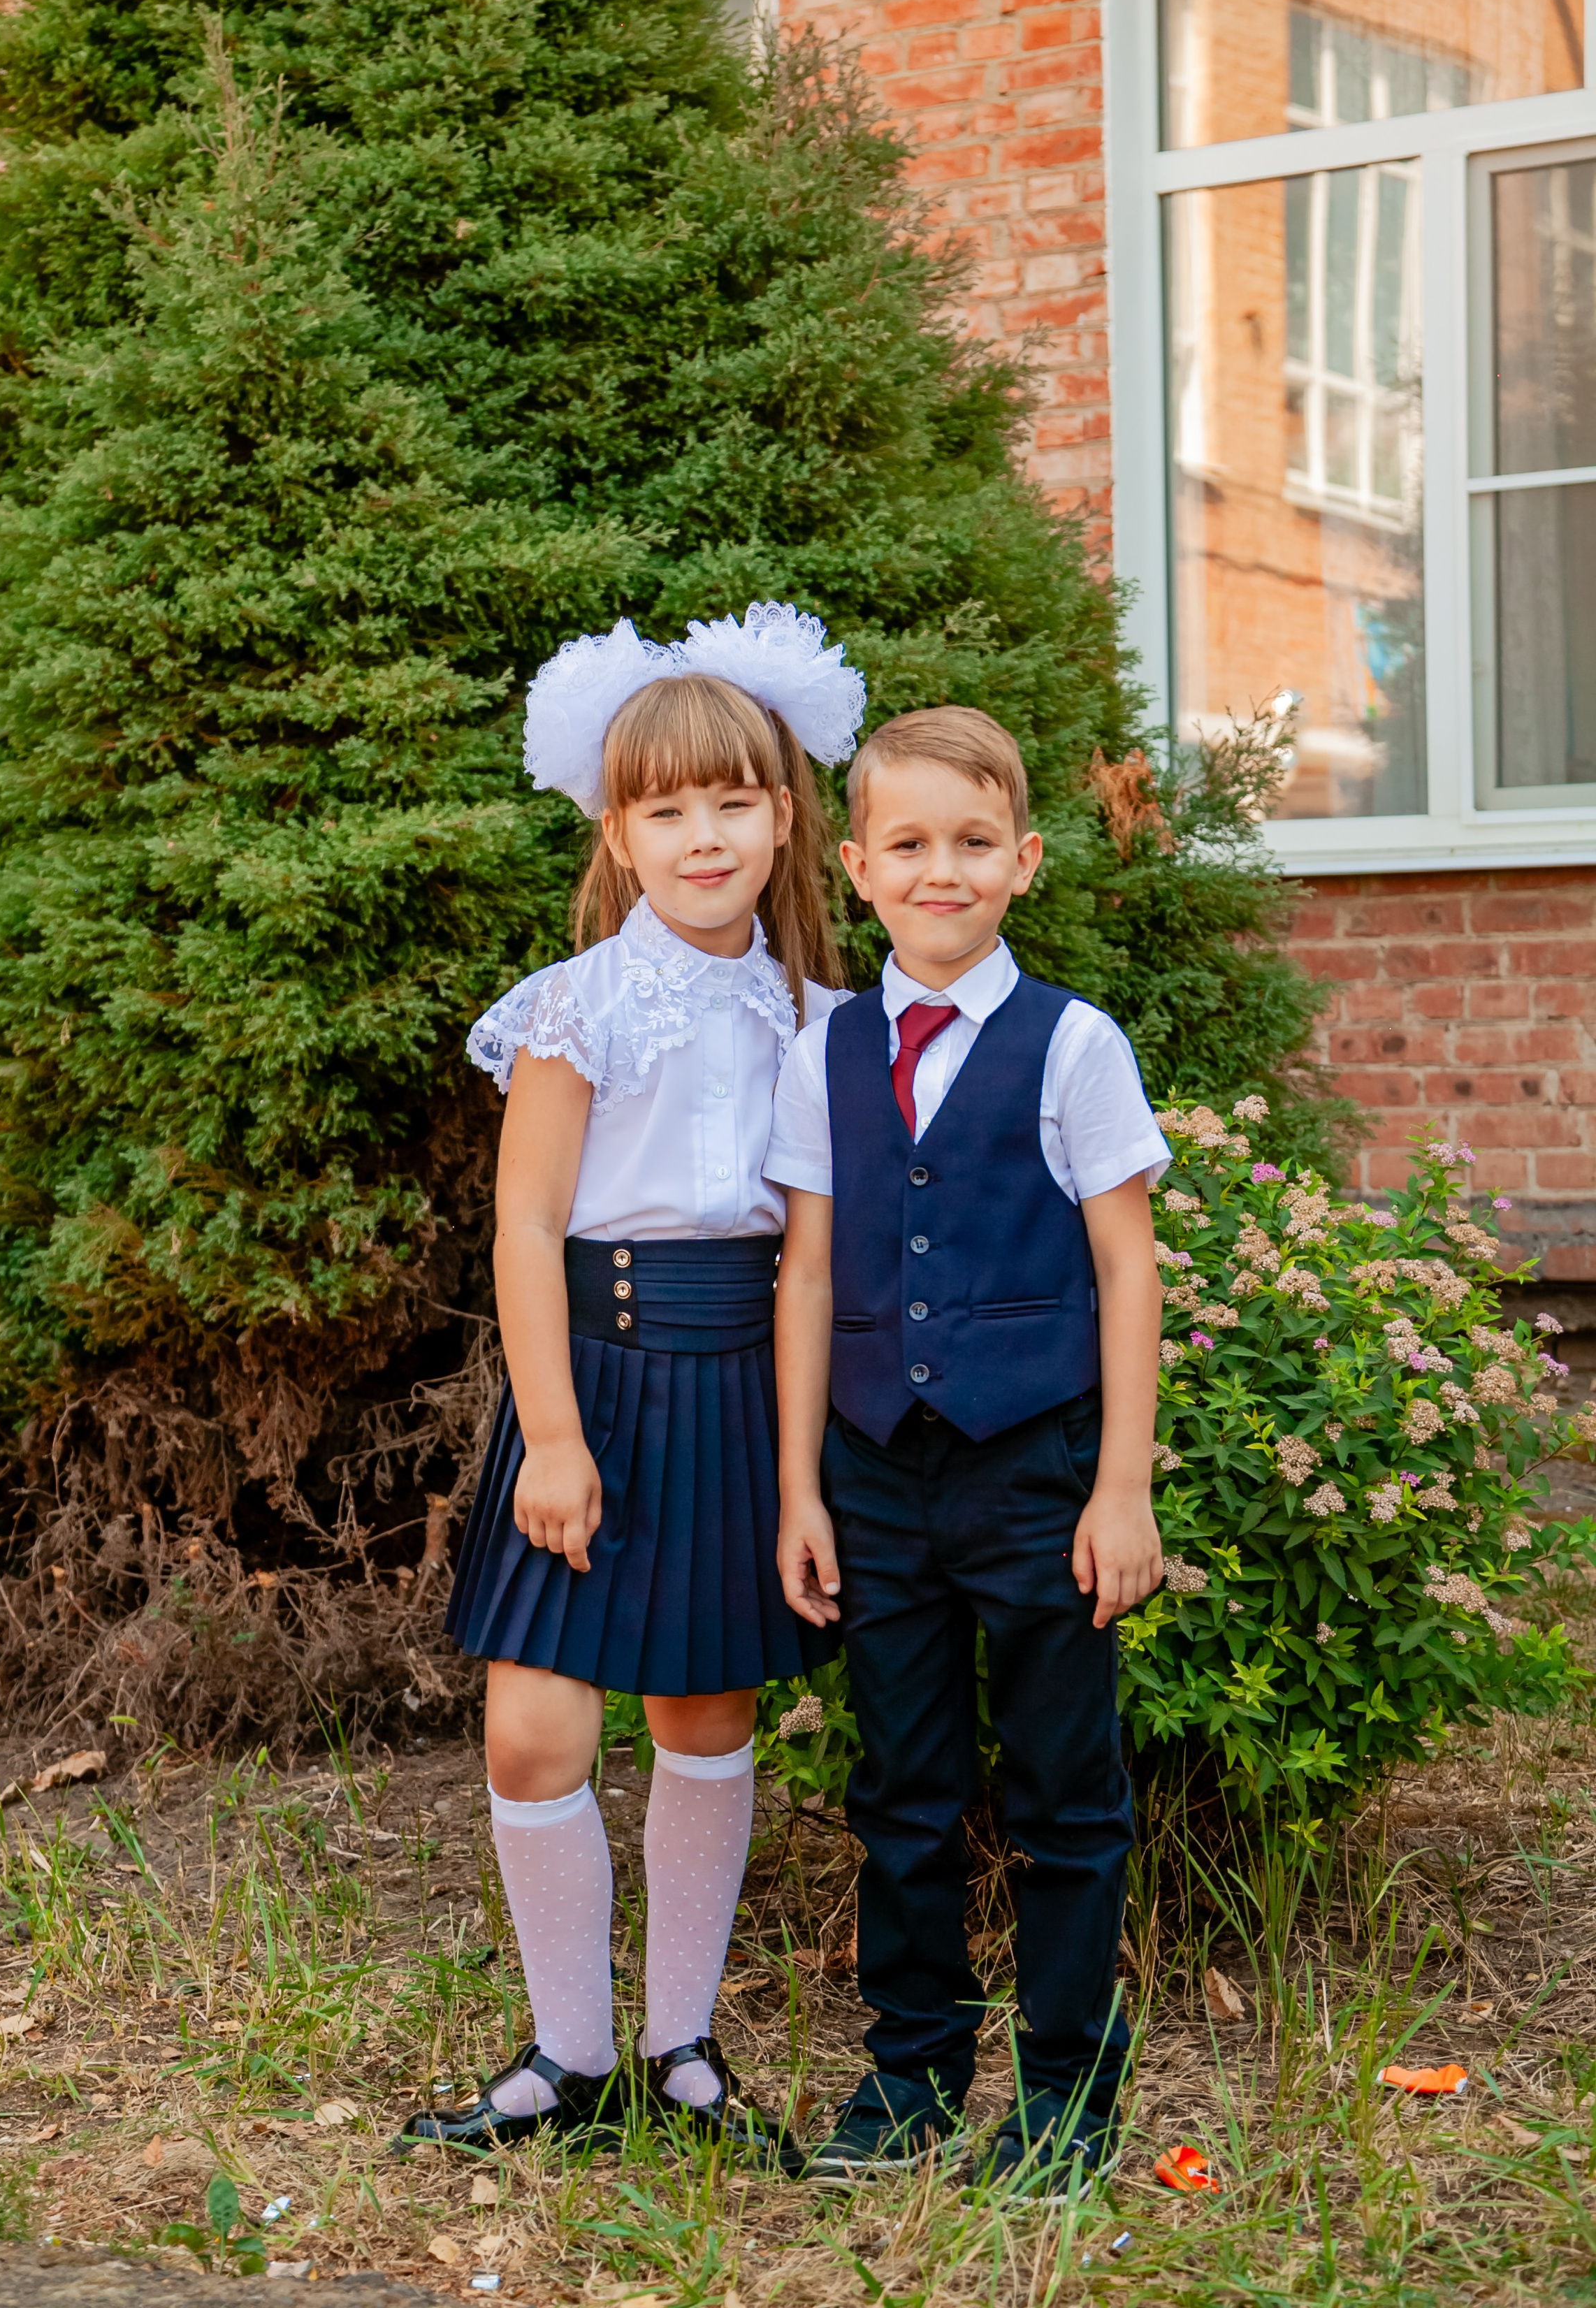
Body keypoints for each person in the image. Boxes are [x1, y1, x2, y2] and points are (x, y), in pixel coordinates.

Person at [401, 606, 862, 2161]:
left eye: (732, 801)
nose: (703, 834)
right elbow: (525, 1222)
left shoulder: (818, 1022)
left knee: (699, 1710)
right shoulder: (573, 1003)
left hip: (732, 1383)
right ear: (618, 829)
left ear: (782, 815)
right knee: (533, 1726)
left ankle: (678, 2050)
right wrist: (548, 1434)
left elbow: (810, 1260)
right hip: (587, 1378)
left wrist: (802, 1472)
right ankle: (564, 2055)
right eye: (665, 809)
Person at [767, 705, 1168, 2186]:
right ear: (859, 864)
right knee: (902, 1790)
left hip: (1034, 1471)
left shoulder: (1073, 1045)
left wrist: (1118, 1486)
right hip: (872, 1470)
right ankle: (910, 2076)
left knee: (1065, 1790)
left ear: (1023, 861)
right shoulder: (824, 1048)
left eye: (973, 844)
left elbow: (1126, 1267)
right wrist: (801, 1482)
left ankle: (1065, 2093)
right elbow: (804, 1272)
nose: (943, 871)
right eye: (911, 845)